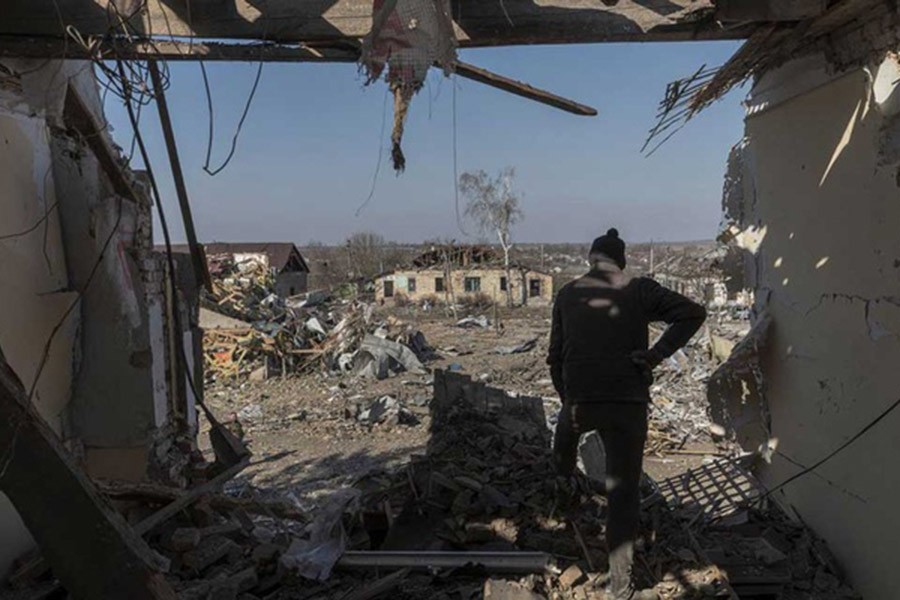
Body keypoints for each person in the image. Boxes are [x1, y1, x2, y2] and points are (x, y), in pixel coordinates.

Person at [547, 228, 706, 600]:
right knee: (624, 495)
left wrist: (568, 400)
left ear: (591, 258)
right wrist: (655, 355)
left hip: (578, 406)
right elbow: (692, 313)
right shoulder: (639, 288)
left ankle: (562, 509)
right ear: (620, 260)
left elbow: (555, 358)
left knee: (562, 463)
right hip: (627, 405)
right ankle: (621, 589)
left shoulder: (568, 294)